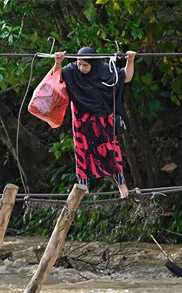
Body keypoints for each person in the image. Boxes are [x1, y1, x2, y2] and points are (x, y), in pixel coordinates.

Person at [53, 47, 136, 198]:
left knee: (111, 151)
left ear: (93, 63)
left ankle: (122, 185)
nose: (81, 68)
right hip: (81, 119)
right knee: (82, 151)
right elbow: (56, 77)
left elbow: (126, 77)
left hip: (103, 119)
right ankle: (83, 186)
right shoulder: (72, 72)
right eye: (79, 64)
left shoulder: (105, 70)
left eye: (85, 65)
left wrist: (130, 60)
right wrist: (58, 62)